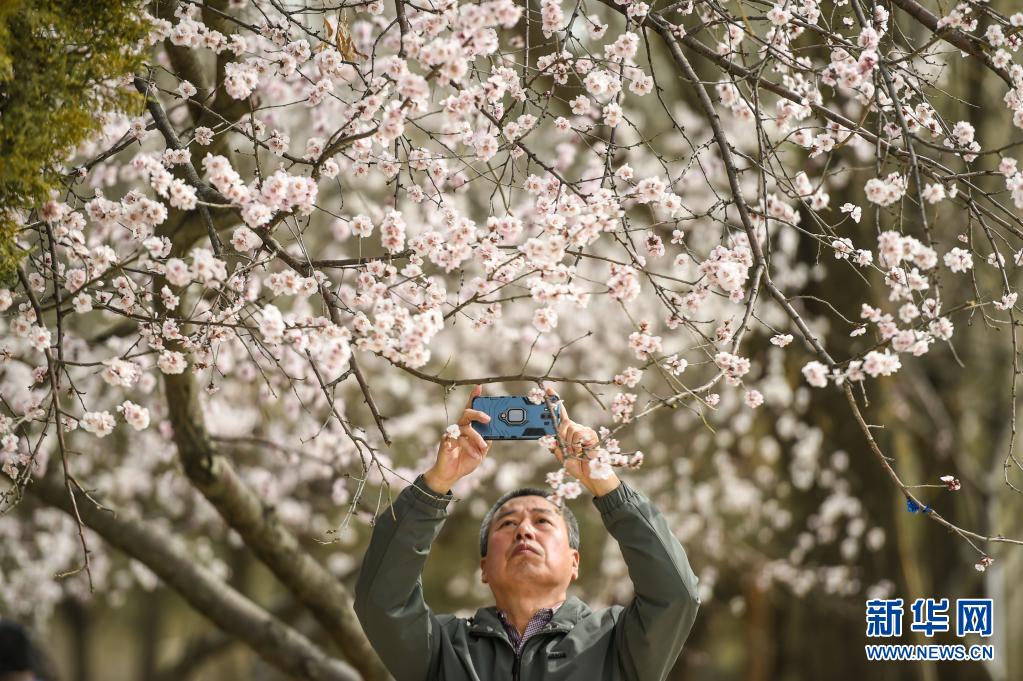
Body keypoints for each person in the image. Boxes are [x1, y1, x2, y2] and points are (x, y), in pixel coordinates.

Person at [354, 385, 700, 681]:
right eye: (506, 523)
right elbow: (383, 602)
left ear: (574, 561)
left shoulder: (615, 644)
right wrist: (436, 485)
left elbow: (674, 595)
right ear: (484, 568)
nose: (523, 530)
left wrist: (603, 481)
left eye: (543, 521)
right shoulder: (444, 649)